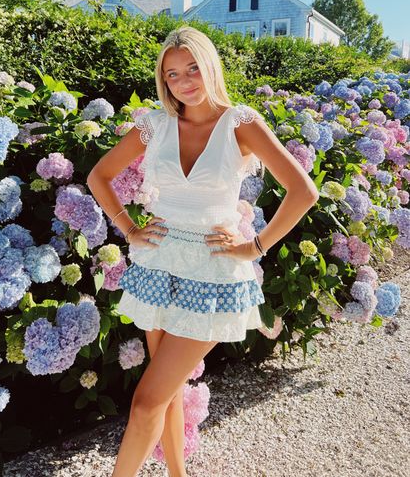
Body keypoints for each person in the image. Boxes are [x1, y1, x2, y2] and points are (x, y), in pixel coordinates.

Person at [87, 25, 319, 477]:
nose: (185, 80)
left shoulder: (241, 123)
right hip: (159, 265)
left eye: (192, 67)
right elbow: (99, 176)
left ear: (209, 65)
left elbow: (303, 191)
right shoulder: (153, 125)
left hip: (213, 275)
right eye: (173, 74)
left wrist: (255, 245)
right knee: (166, 391)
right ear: (164, 81)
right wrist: (129, 228)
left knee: (146, 400)